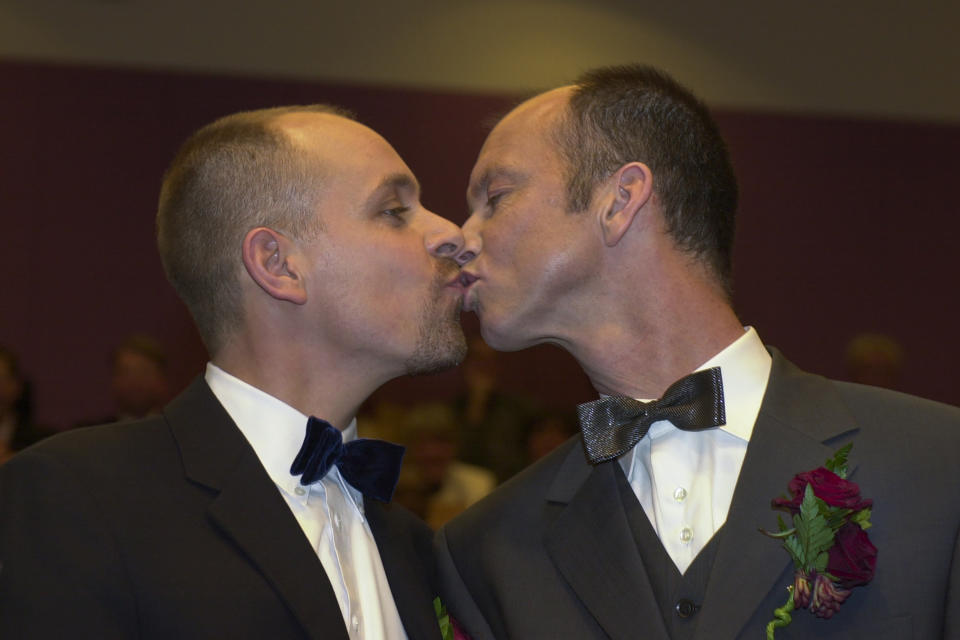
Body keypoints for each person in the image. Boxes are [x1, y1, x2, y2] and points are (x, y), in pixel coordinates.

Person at [436, 66, 960, 639]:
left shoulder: (938, 465)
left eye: (495, 197)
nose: (463, 236)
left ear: (620, 200)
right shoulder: (486, 547)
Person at [0, 105, 472, 639]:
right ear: (277, 264)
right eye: (393, 210)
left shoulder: (413, 544)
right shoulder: (81, 498)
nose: (450, 232)